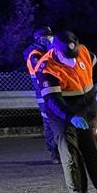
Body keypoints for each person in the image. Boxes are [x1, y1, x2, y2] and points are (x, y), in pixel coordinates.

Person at [36, 30, 97, 193]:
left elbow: (95, 69)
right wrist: (70, 117)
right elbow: (53, 101)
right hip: (62, 114)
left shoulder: (84, 52)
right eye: (67, 57)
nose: (72, 61)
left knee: (94, 151)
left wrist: (96, 86)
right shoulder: (46, 67)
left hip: (87, 109)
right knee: (70, 155)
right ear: (56, 51)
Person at [23, 26, 58, 163]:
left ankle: (62, 151)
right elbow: (42, 72)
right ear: (39, 39)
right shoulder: (34, 55)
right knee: (49, 122)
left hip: (55, 91)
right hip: (43, 94)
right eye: (47, 37)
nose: (50, 39)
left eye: (51, 36)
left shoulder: (49, 51)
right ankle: (54, 152)